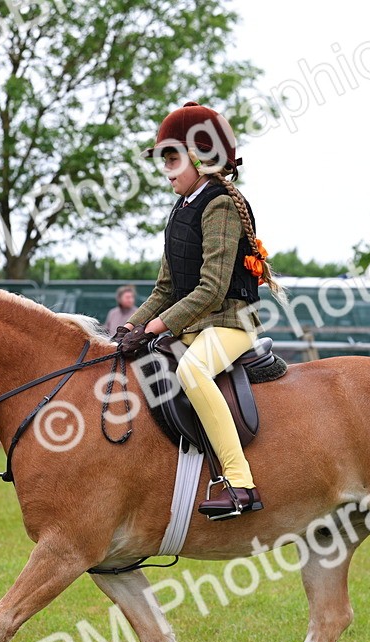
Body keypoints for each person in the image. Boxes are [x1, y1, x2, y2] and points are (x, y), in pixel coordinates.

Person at [115, 102, 279, 519]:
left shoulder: (220, 204)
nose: (166, 168)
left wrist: (156, 323)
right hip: (193, 327)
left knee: (191, 371)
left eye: (172, 157)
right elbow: (166, 288)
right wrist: (128, 329)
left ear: (202, 157)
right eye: (164, 160)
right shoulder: (180, 208)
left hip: (231, 323)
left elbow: (211, 289)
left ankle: (240, 482)